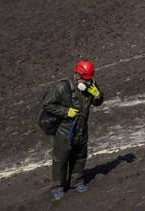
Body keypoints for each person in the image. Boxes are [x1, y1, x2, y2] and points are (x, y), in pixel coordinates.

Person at [43, 60, 104, 200]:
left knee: (80, 156)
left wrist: (98, 95)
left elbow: (98, 102)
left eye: (89, 79)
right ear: (77, 76)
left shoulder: (90, 85)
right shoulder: (62, 87)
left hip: (82, 128)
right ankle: (58, 187)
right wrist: (65, 111)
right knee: (61, 159)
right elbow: (47, 104)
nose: (88, 82)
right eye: (86, 79)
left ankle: (77, 181)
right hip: (65, 130)